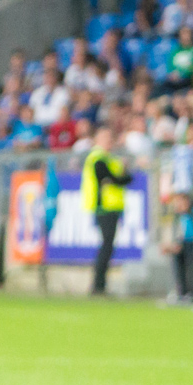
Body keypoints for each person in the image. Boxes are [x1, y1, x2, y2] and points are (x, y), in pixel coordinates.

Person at [83, 124, 131, 295]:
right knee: (106, 246)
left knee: (108, 246)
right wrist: (119, 177)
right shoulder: (99, 158)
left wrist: (119, 178)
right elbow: (114, 179)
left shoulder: (110, 159)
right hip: (104, 207)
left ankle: (100, 284)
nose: (109, 142)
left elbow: (123, 179)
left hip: (112, 207)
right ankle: (98, 285)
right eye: (105, 138)